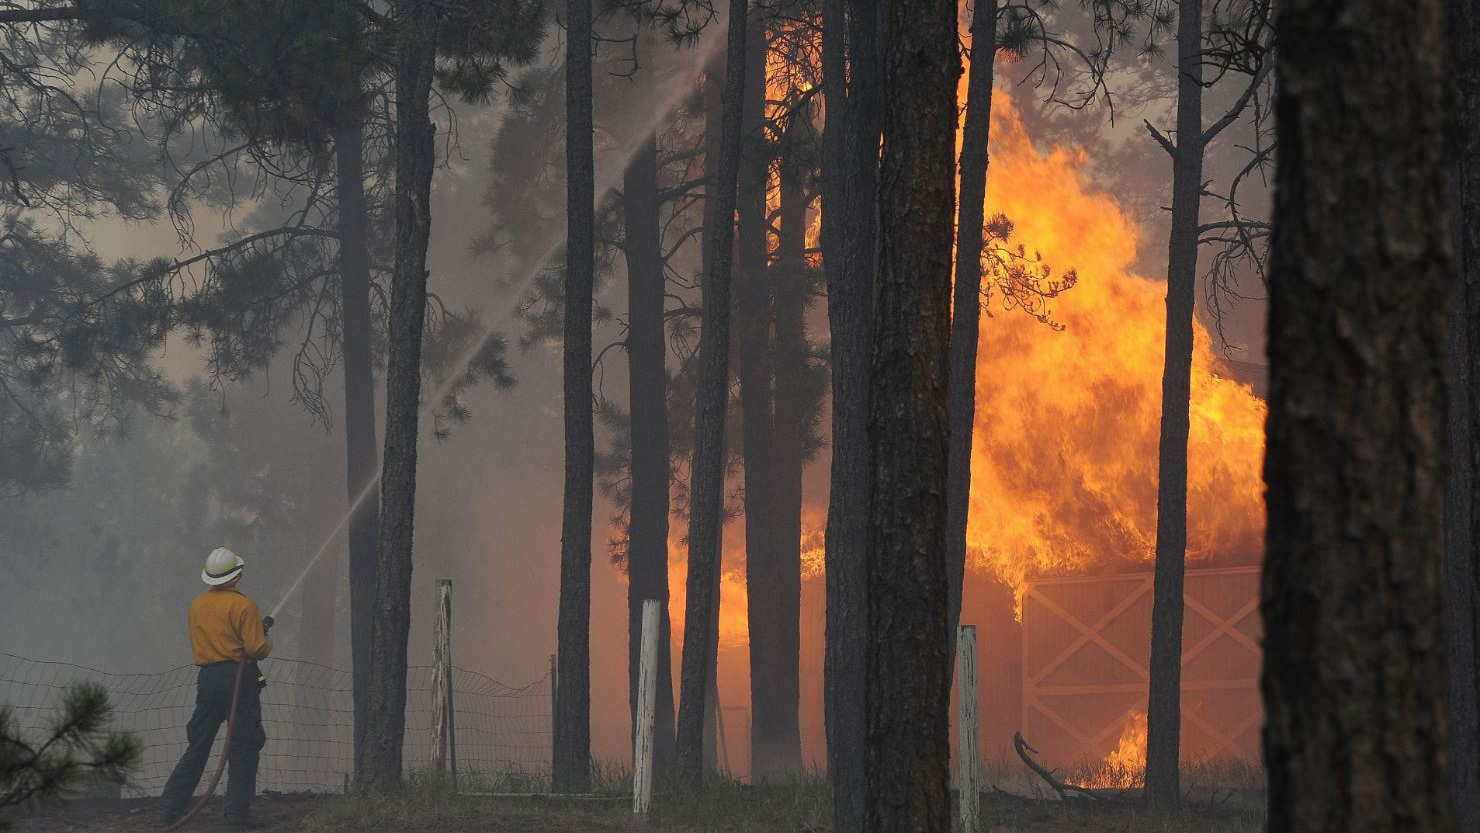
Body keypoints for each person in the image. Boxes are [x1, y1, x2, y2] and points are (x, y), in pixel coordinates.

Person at [159, 547, 272, 829]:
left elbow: (218, 634)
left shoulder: (196, 604)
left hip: (208, 679)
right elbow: (256, 648)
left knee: (198, 745)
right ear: (237, 575)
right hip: (238, 680)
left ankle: (169, 809)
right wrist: (263, 636)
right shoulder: (244, 606)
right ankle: (238, 813)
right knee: (244, 743)